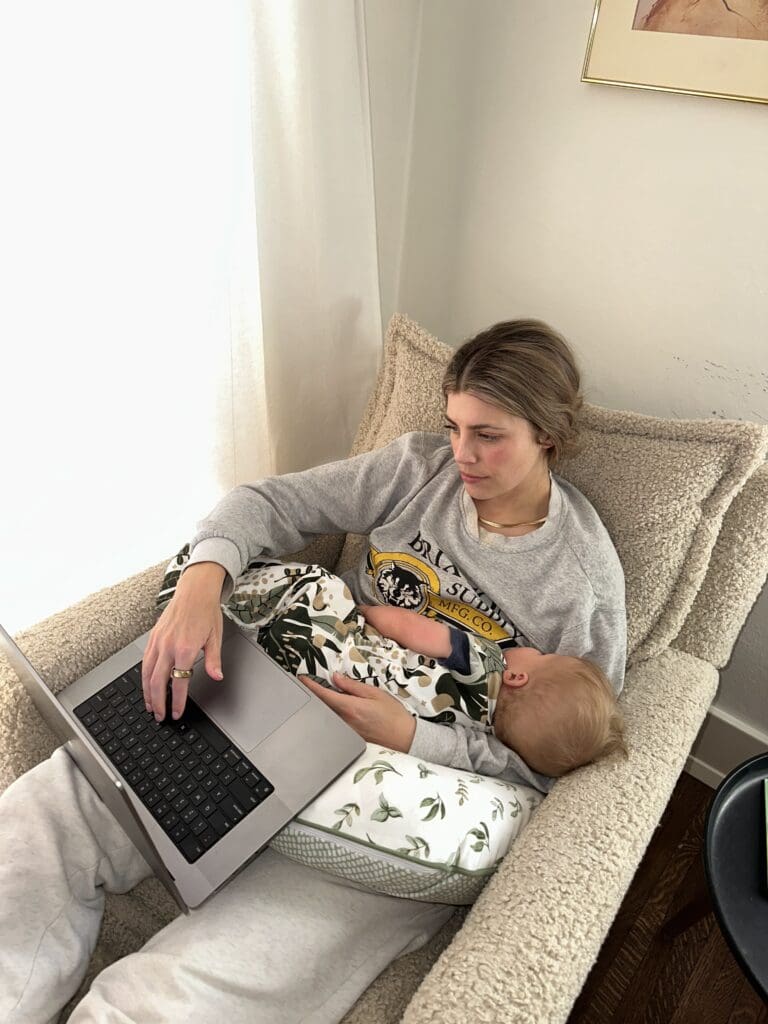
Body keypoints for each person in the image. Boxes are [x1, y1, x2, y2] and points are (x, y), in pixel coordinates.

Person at [0, 319, 627, 1024]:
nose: (462, 454)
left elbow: (557, 762)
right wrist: (202, 582)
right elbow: (270, 502)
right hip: (289, 694)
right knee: (42, 818)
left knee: (160, 1004)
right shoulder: (418, 470)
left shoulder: (582, 588)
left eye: (488, 435)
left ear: (548, 434)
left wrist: (412, 736)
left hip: (396, 796)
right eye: (454, 427)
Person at [155, 555, 626, 782]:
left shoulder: (484, 661)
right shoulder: (475, 734)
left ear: (519, 677)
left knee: (320, 585)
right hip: (323, 694)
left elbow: (416, 630)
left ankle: (194, 593)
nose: (532, 650)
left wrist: (366, 614)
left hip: (342, 645)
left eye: (542, 655)